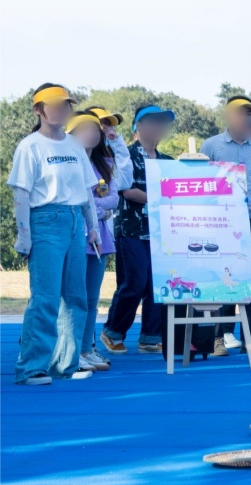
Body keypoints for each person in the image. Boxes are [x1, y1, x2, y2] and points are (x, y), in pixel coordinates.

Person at [8, 84, 101, 385]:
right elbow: (21, 194)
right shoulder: (30, 146)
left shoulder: (74, 145)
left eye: (65, 105)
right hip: (45, 220)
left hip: (75, 220)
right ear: (39, 110)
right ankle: (31, 367)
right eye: (53, 105)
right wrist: (24, 236)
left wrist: (93, 228)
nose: (60, 110)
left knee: (76, 297)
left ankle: (65, 364)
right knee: (45, 298)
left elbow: (86, 190)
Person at [200, 95, 251, 357]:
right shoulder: (211, 145)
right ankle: (217, 338)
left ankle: (250, 338)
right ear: (228, 116)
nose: (245, 118)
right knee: (220, 279)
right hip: (219, 222)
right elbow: (200, 184)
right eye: (239, 113)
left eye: (249, 113)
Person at [101, 104, 176, 356]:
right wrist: (160, 199)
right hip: (131, 229)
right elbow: (127, 190)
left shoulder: (168, 162)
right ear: (138, 126)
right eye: (152, 121)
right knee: (134, 283)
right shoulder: (127, 154)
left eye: (161, 122)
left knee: (158, 284)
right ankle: (113, 331)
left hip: (161, 233)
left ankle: (151, 337)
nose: (157, 127)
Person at [61, 111, 119, 372]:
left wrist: (98, 209)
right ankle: (70, 351)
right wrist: (100, 209)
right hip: (75, 234)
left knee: (92, 298)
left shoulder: (104, 163)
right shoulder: (66, 163)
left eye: (94, 129)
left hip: (100, 235)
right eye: (83, 129)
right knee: (73, 297)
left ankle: (86, 348)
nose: (91, 134)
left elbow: (114, 198)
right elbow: (75, 198)